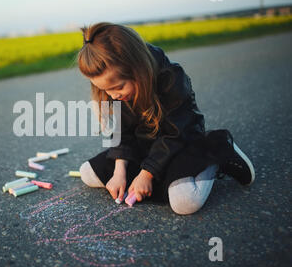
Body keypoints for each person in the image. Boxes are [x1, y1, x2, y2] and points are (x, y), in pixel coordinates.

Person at [76, 22, 255, 215]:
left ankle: (217, 151)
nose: (113, 95)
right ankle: (152, 176)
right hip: (145, 145)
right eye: (105, 90)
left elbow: (176, 134)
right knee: (88, 173)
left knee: (185, 203)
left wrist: (146, 174)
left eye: (118, 87)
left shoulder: (171, 78)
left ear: (138, 70)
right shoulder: (114, 93)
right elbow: (122, 132)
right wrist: (120, 171)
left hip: (179, 143)